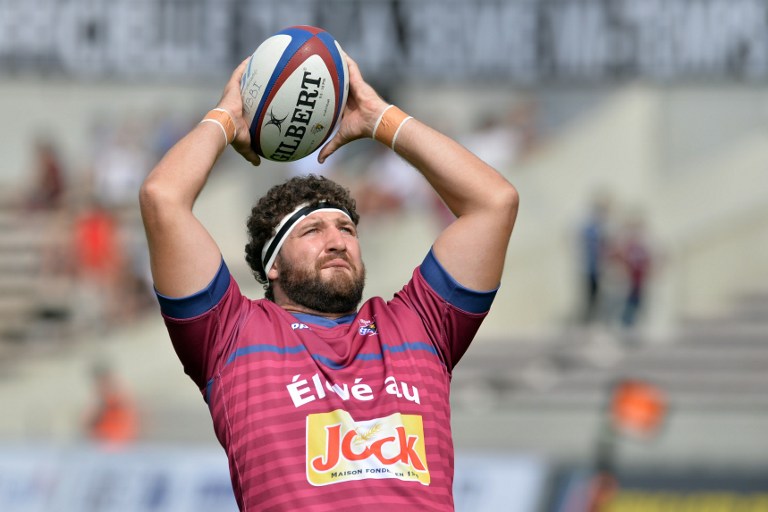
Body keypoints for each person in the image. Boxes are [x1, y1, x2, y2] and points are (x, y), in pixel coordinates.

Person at [139, 53, 519, 511]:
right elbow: (163, 198)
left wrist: (383, 120)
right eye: (313, 231)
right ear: (272, 264)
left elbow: (494, 202)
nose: (337, 242)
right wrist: (225, 119)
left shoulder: (420, 324)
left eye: (347, 229)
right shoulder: (229, 334)